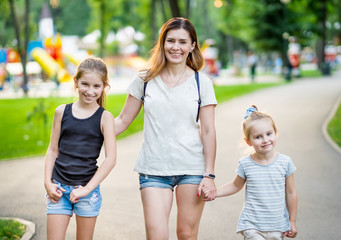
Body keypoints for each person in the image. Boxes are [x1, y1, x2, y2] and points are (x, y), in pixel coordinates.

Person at [115, 17, 217, 239]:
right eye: (170, 41)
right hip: (154, 170)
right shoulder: (145, 79)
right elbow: (122, 120)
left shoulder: (202, 83)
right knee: (156, 236)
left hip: (192, 169)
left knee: (186, 234)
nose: (176, 47)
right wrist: (84, 129)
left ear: (192, 46)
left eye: (182, 42)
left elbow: (208, 131)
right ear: (162, 43)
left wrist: (209, 174)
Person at [44, 57, 116, 240]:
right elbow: (52, 150)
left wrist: (87, 189)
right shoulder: (62, 112)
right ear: (75, 82)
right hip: (58, 189)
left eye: (96, 86)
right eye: (85, 84)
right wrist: (47, 182)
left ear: (104, 87)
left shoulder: (105, 118)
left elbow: (111, 159)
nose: (90, 91)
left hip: (86, 191)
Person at [204, 105, 298, 240]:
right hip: (252, 225)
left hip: (277, 226)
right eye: (258, 137)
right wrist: (216, 192)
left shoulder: (285, 163)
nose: (265, 140)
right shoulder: (246, 164)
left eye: (269, 134)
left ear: (275, 132)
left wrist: (292, 221)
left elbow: (291, 192)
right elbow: (236, 185)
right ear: (248, 141)